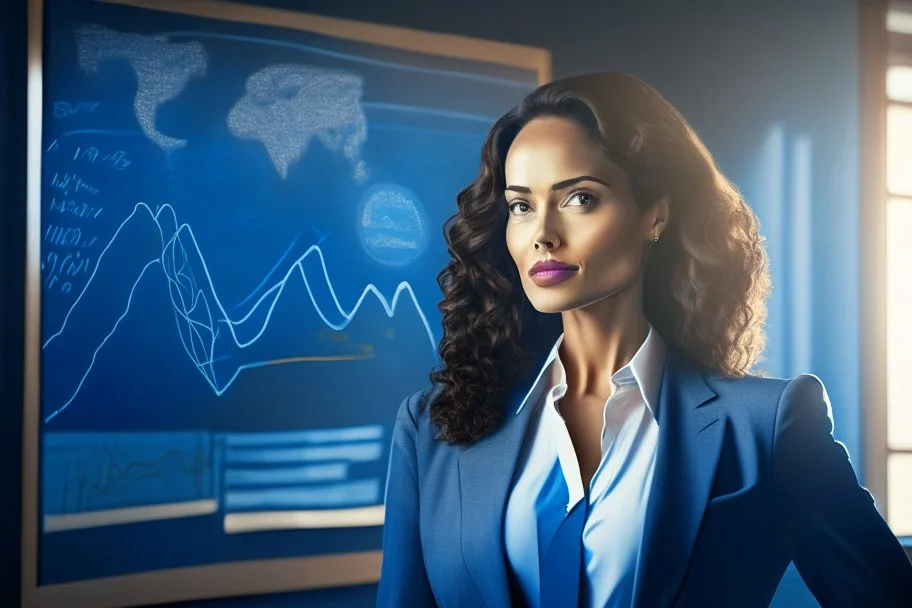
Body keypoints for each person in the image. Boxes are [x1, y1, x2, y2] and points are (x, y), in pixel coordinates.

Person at [375, 72, 912, 607]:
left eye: (579, 198)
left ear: (655, 213)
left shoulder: (765, 428)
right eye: (521, 205)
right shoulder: (431, 430)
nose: (543, 233)